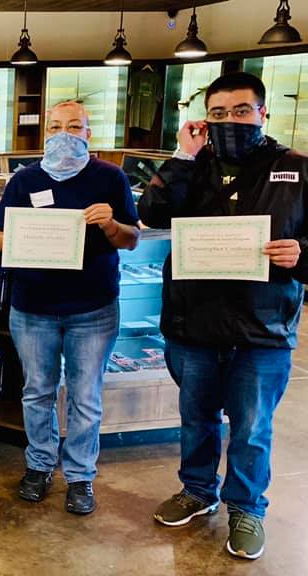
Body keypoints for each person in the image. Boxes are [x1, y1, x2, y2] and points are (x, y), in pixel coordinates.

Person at [139, 72, 308, 560]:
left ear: (262, 113)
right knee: (196, 419)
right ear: (204, 119)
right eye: (218, 113)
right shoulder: (194, 166)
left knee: (252, 428)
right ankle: (197, 490)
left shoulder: (296, 169)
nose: (229, 120)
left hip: (262, 328)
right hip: (193, 323)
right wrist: (182, 156)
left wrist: (302, 253)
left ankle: (247, 508)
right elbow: (153, 212)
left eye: (240, 111)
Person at [0, 101, 140, 515]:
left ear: (88, 134)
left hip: (93, 309)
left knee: (85, 396)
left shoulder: (110, 177)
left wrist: (110, 224)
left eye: (74, 127)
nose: (64, 134)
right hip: (33, 307)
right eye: (55, 126)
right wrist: (22, 235)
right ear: (45, 134)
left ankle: (80, 475)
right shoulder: (25, 180)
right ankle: (39, 464)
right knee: (37, 391)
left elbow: (131, 239)